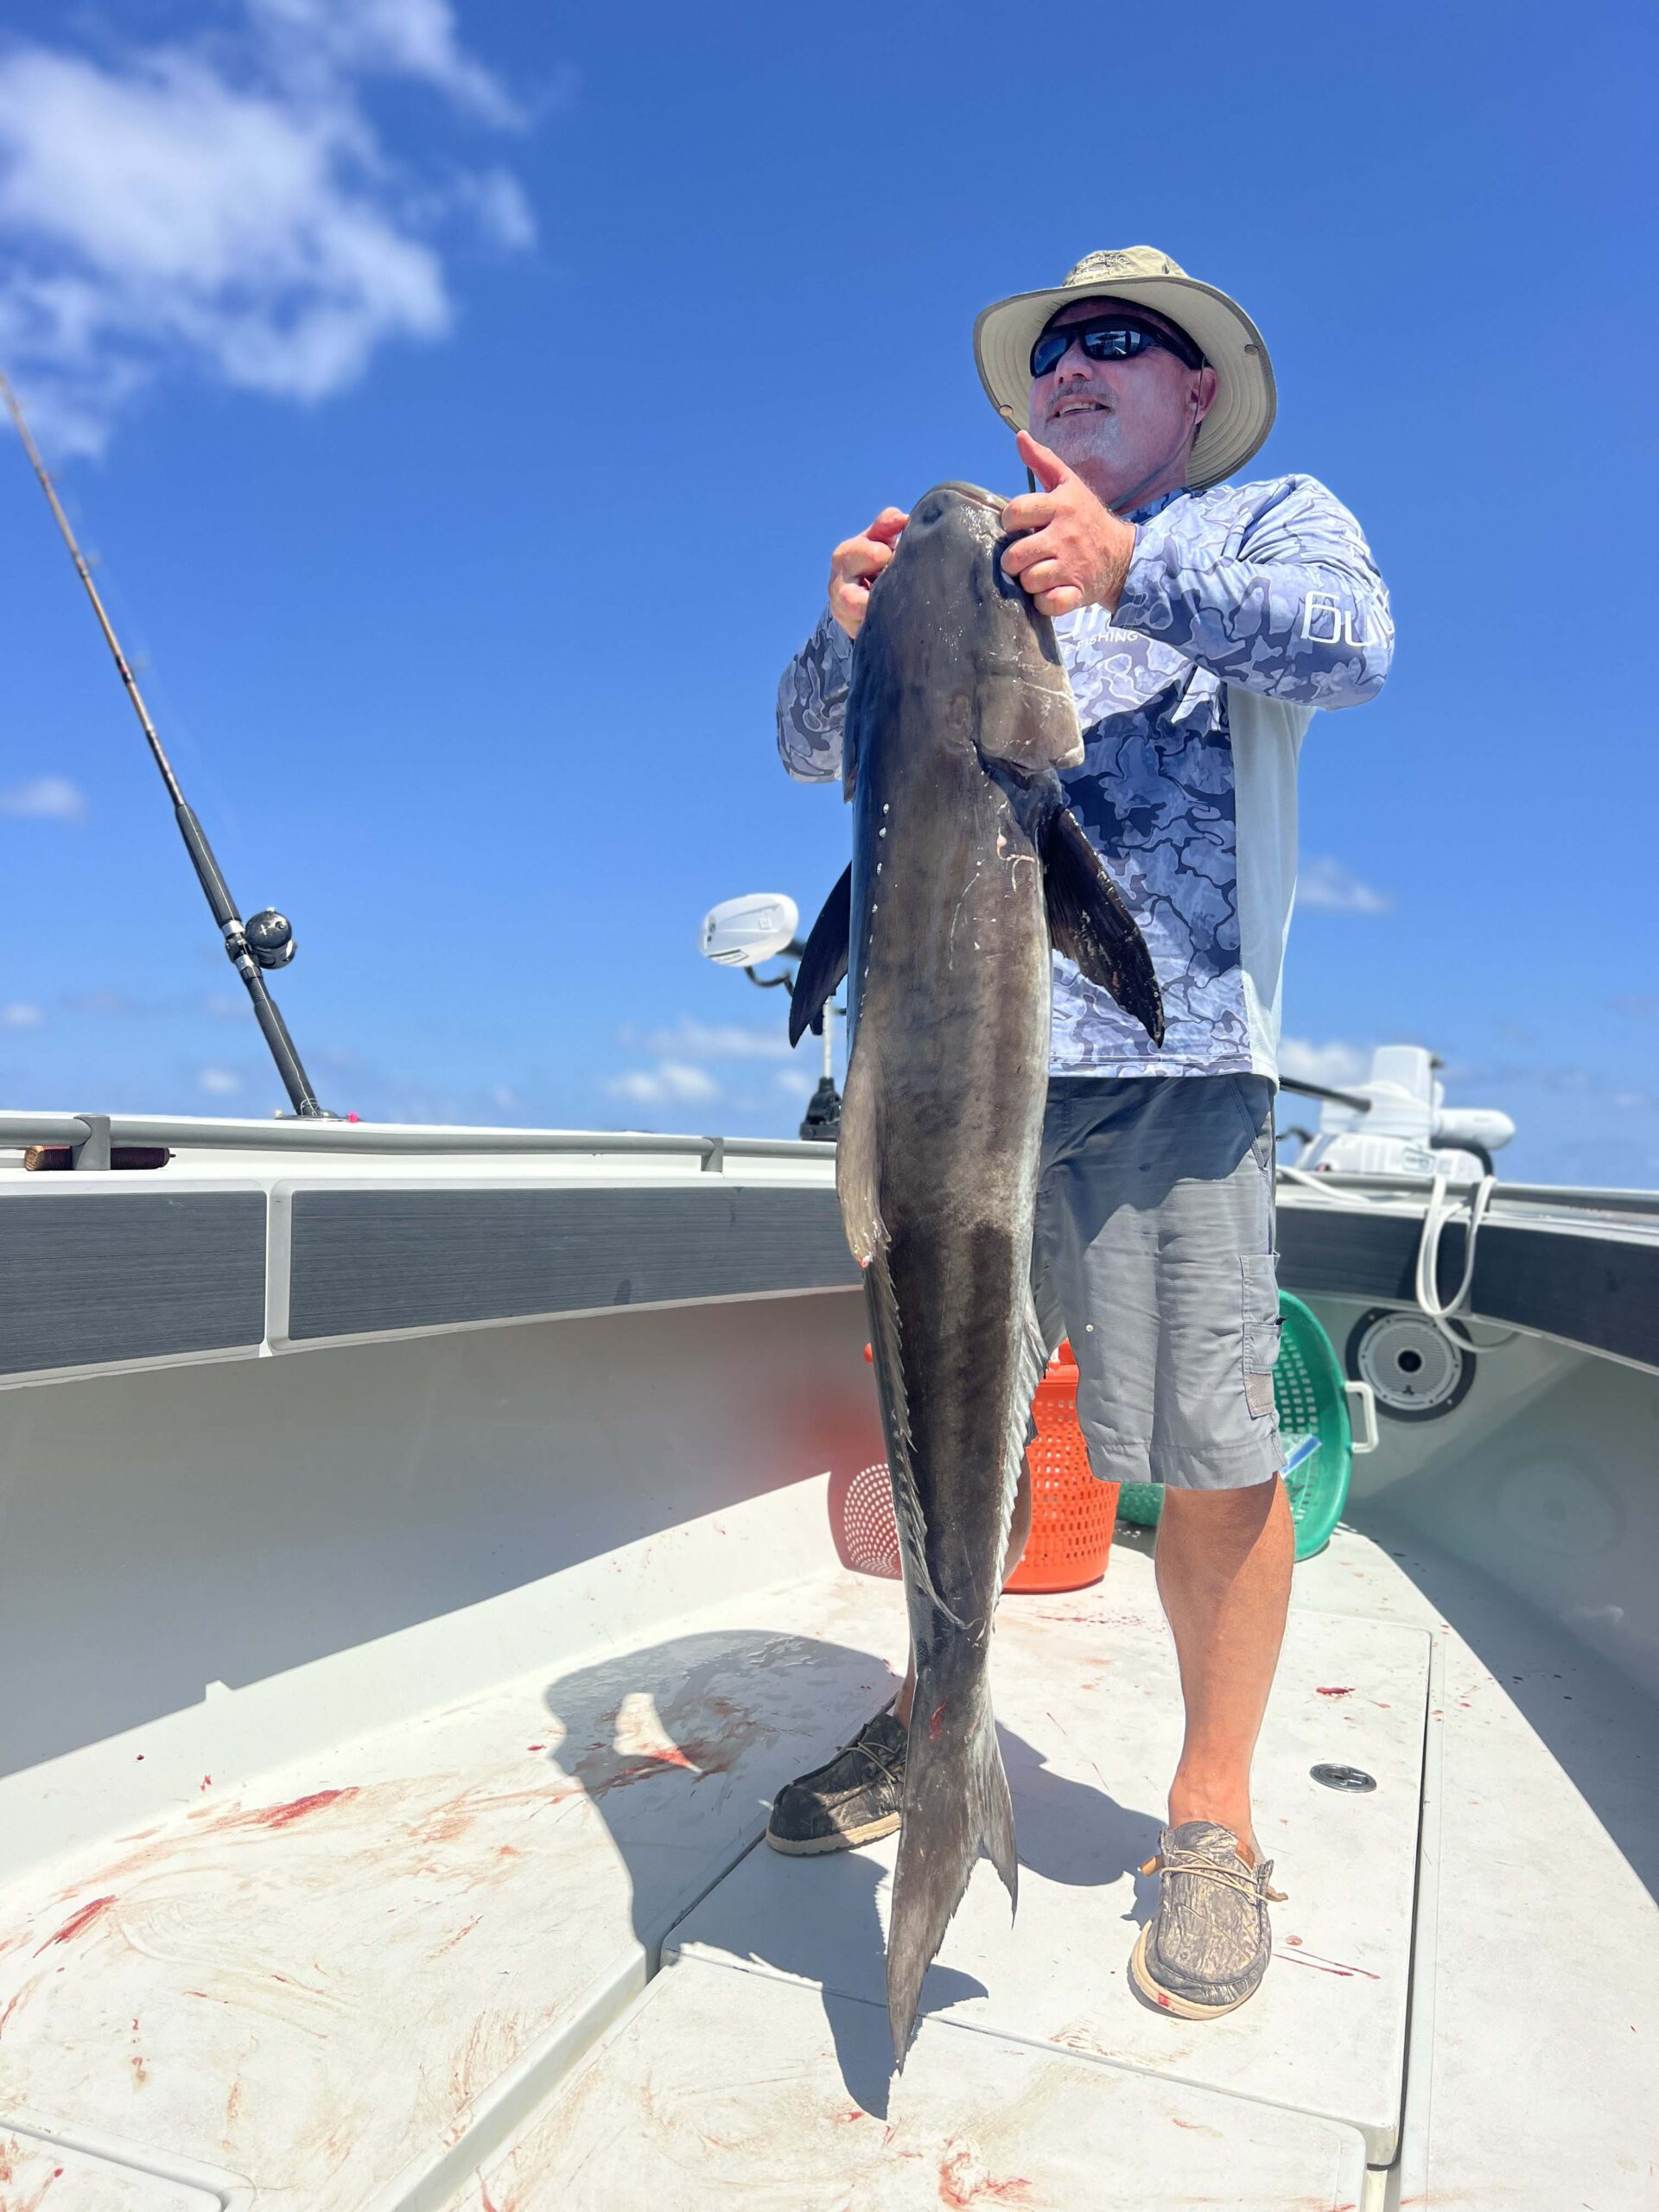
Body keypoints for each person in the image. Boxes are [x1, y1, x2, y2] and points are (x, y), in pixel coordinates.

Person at [766, 247, 1393, 2021]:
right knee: (938, 1421)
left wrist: (1139, 567)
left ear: (1197, 393)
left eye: (1125, 342)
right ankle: (937, 1704)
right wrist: (846, 631)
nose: (1077, 364)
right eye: (1054, 346)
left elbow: (1359, 648)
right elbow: (814, 746)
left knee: (1206, 1446)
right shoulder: (958, 569)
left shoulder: (1263, 526)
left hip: (1172, 1079)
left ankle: (1207, 1813)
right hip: (943, 1074)